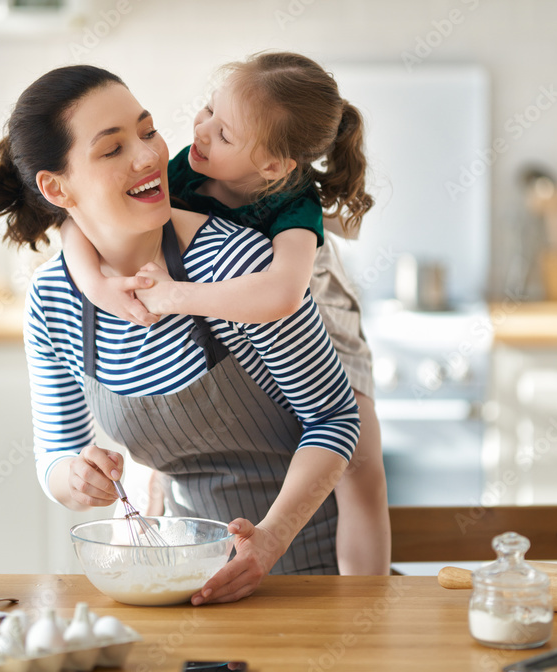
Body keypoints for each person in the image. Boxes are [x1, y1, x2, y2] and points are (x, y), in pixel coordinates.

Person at [0, 65, 361, 604]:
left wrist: (269, 542)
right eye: (112, 150)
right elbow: (56, 453)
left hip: (297, 583)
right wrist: (75, 478)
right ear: (57, 189)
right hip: (174, 584)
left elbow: (334, 418)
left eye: (147, 131)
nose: (148, 156)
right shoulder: (55, 298)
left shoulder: (238, 267)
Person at [59, 52, 390, 575]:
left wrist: (176, 298)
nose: (202, 131)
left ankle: (367, 602)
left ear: (274, 167)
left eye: (225, 133)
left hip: (316, 303)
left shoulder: (296, 208)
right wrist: (96, 284)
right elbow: (75, 221)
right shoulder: (191, 165)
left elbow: (282, 296)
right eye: (208, 110)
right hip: (234, 297)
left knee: (361, 465)